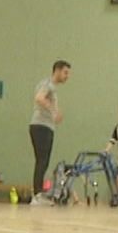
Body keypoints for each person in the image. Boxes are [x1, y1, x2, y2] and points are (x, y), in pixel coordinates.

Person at [30, 60, 70, 202]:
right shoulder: (48, 85)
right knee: (42, 161)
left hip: (46, 127)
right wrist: (54, 111)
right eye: (65, 72)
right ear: (57, 70)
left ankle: (38, 193)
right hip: (41, 126)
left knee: (43, 161)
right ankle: (37, 195)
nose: (67, 76)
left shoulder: (51, 87)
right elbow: (39, 98)